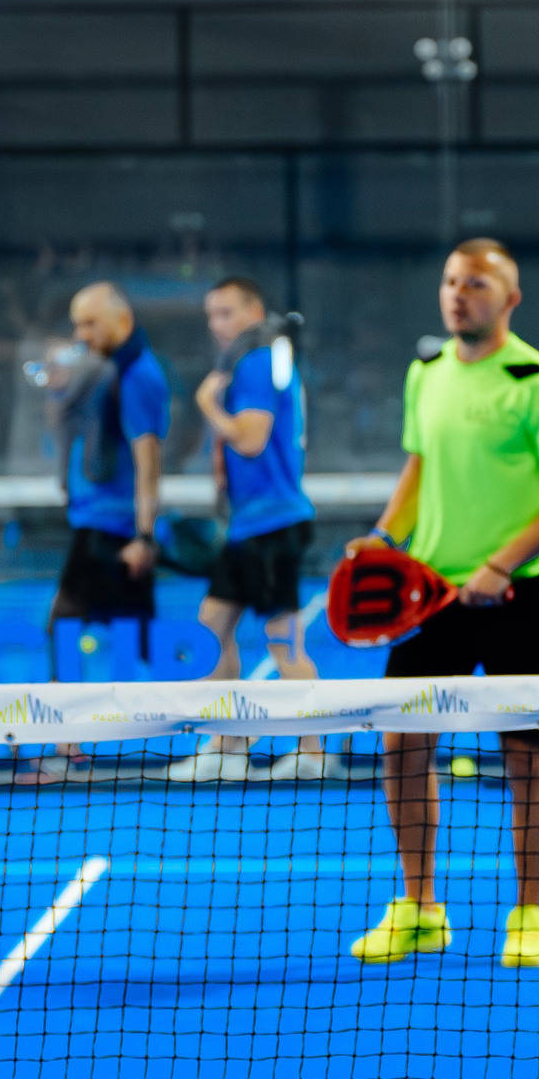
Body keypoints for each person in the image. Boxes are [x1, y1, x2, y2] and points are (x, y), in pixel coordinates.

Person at [344, 240, 539, 969]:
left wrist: (499, 564)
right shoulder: (425, 373)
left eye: (478, 284)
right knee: (402, 746)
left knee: (527, 753)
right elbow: (420, 466)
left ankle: (528, 913)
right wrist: (383, 538)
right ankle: (421, 908)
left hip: (521, 593)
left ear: (510, 299)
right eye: (452, 281)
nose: (460, 294)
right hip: (429, 595)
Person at [163, 276, 332, 784]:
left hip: (273, 523)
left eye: (228, 313)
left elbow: (251, 439)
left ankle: (313, 751)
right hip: (249, 525)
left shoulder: (257, 362)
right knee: (212, 626)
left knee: (282, 638)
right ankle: (228, 745)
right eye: (212, 315)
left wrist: (207, 404)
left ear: (255, 312)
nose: (219, 324)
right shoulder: (255, 361)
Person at [44, 282, 170, 670]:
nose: (82, 335)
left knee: (63, 628)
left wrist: (143, 537)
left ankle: (63, 713)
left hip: (111, 529)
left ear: (123, 321)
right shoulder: (107, 370)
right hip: (100, 521)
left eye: (91, 324)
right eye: (77, 325)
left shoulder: (137, 376)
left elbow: (148, 462)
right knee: (145, 643)